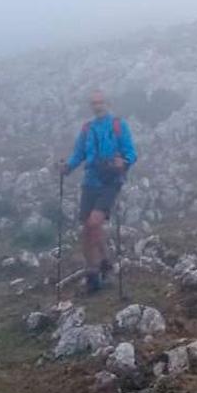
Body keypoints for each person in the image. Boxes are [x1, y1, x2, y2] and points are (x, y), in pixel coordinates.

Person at [58, 90, 137, 293]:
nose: (98, 106)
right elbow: (79, 153)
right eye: (94, 103)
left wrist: (124, 162)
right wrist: (67, 167)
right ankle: (98, 270)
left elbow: (130, 152)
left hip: (111, 182)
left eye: (100, 102)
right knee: (88, 229)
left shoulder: (118, 125)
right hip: (90, 182)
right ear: (91, 106)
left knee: (94, 222)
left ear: (107, 103)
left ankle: (97, 269)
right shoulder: (87, 129)